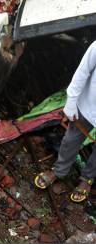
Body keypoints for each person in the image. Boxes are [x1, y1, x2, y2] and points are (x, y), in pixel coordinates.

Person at [34, 40, 96, 203]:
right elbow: (83, 71)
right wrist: (71, 100)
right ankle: (59, 170)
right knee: (71, 140)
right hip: (87, 106)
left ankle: (87, 179)